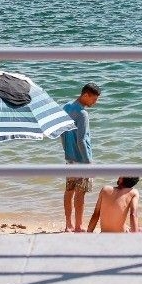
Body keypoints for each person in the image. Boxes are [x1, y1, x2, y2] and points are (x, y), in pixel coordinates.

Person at [61, 82, 100, 232]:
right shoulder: (82, 114)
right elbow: (82, 140)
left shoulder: (66, 107)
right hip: (82, 160)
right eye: (94, 99)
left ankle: (68, 225)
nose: (95, 103)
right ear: (85, 95)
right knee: (80, 193)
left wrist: (67, 151)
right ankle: (78, 226)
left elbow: (61, 133)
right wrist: (88, 163)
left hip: (69, 158)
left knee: (69, 191)